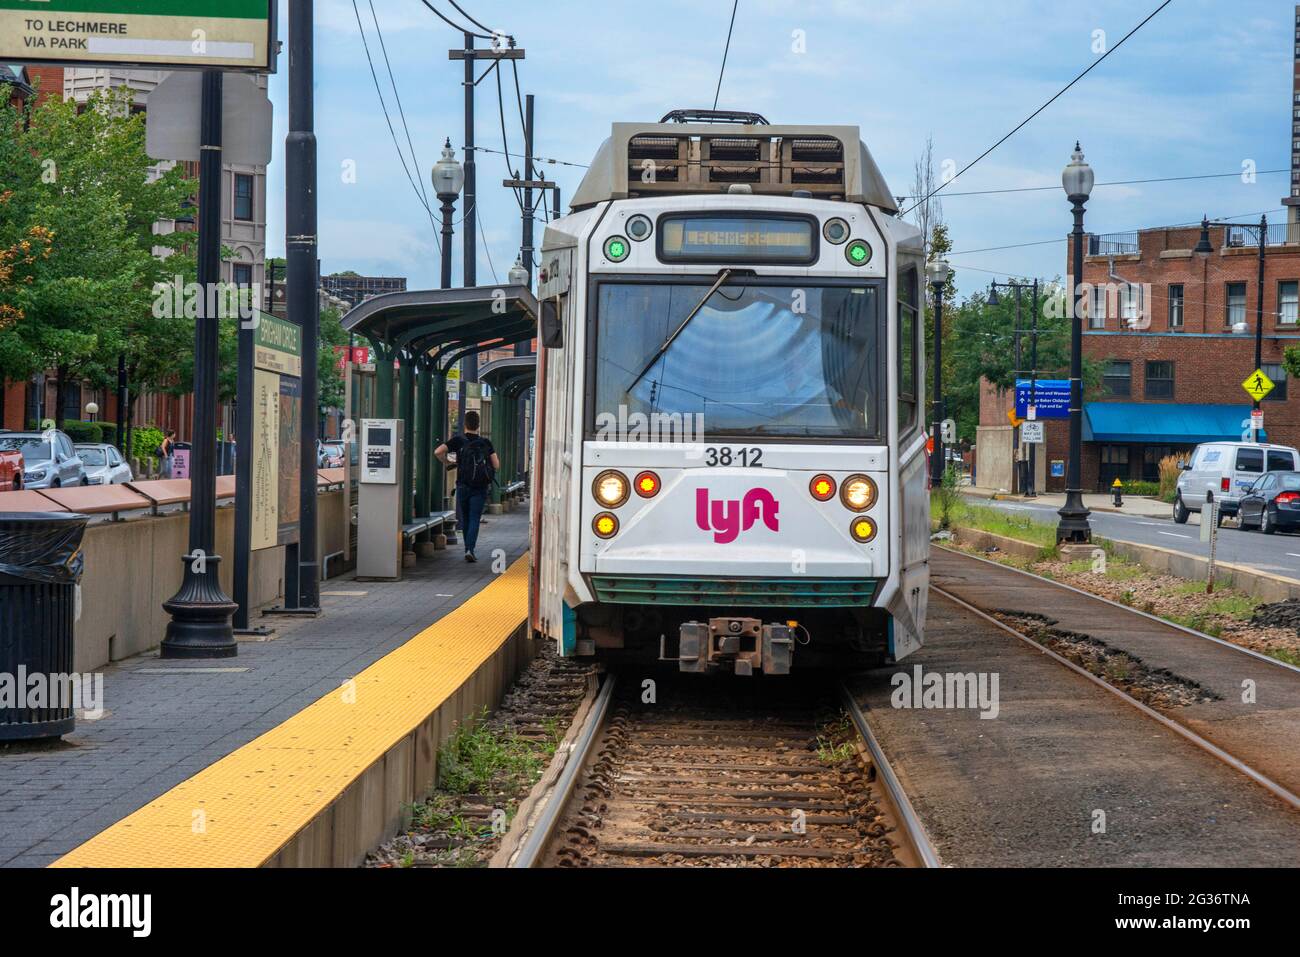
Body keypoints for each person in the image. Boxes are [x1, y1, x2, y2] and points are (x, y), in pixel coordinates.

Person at [434, 410, 499, 563]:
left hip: (463, 485)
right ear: (478, 425)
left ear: (465, 425)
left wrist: (448, 462)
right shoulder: (485, 443)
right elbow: (496, 464)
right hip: (480, 487)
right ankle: (470, 549)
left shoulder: (457, 441)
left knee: (466, 517)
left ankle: (467, 549)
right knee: (475, 517)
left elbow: (437, 452)